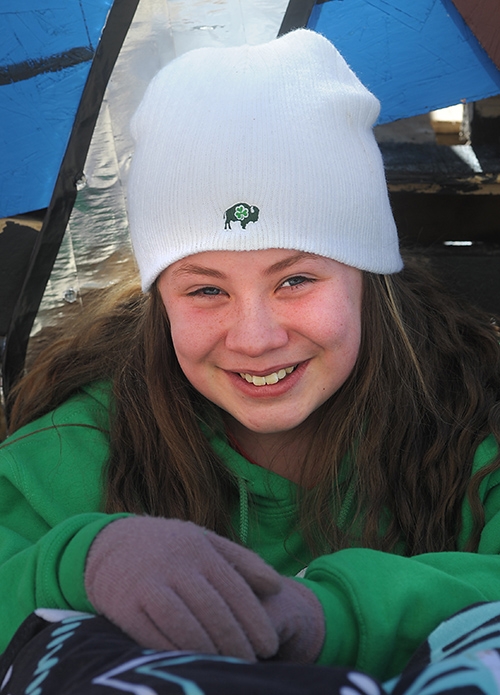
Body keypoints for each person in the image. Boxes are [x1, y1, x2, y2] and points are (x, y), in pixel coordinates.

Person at [0, 28, 499, 695]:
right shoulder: (74, 450)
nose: (256, 337)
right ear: (159, 304)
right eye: (206, 289)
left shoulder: (474, 416)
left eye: (295, 280)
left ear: (368, 277)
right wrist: (80, 560)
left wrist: (334, 612)